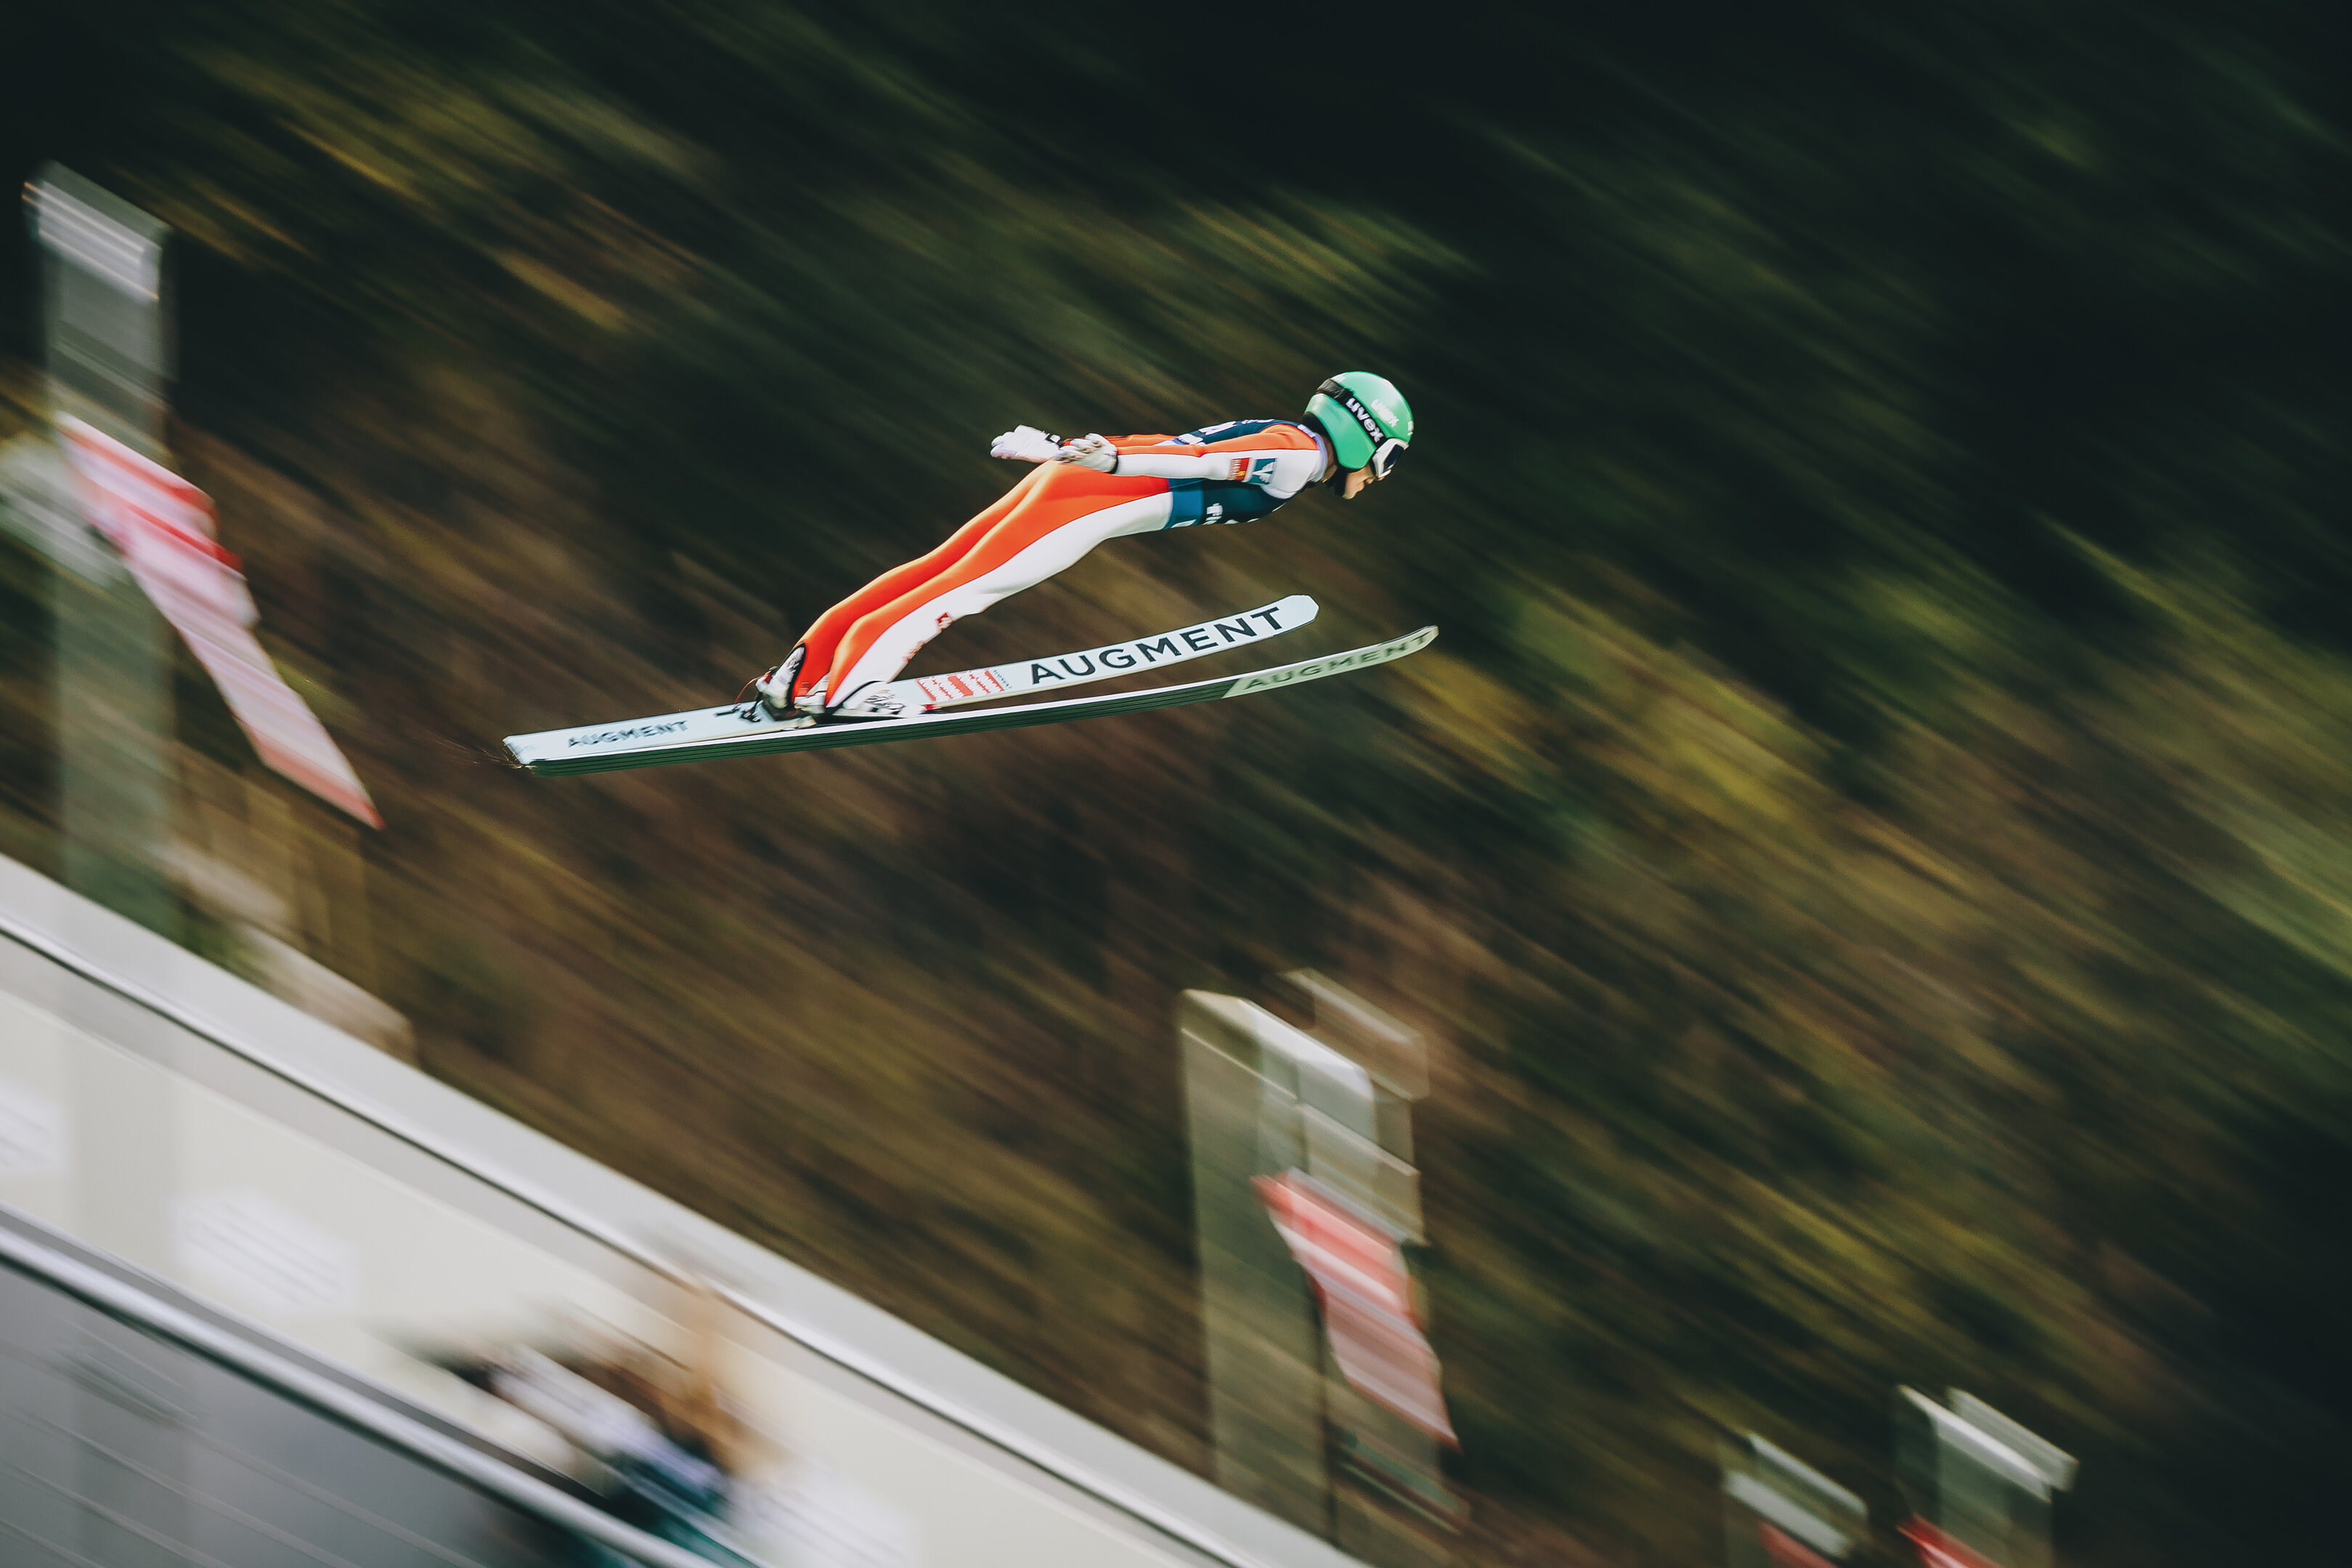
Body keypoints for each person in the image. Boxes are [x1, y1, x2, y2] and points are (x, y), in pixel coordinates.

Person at [752, 372, 1415, 722]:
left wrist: (1076, 451)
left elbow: (1172, 446)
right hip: (1087, 503)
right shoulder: (1298, 457)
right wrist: (1105, 462)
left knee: (937, 570)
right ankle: (850, 689)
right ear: (1364, 436)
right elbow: (1202, 460)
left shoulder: (1286, 440)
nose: (1378, 477)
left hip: (1076, 484)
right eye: (1386, 460)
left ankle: (798, 679)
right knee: (962, 588)